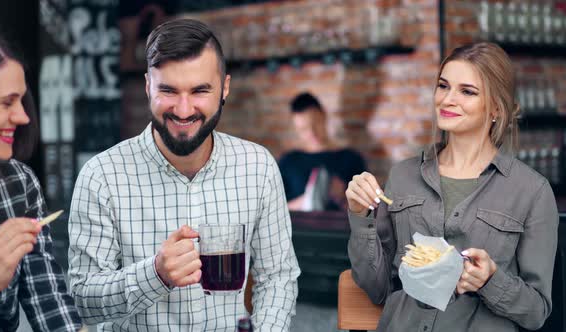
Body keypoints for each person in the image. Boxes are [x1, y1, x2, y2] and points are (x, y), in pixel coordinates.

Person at [68, 18, 300, 331]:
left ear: (225, 88)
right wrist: (155, 274)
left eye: (200, 90)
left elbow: (278, 278)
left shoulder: (258, 167)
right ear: (148, 85)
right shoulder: (102, 176)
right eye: (168, 90)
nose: (183, 109)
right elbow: (83, 299)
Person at [346, 42, 557, 331]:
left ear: (496, 107)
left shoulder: (532, 191)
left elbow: (537, 312)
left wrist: (490, 281)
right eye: (443, 86)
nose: (447, 99)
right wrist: (361, 217)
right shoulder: (402, 176)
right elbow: (377, 288)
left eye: (467, 91)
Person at [0, 24, 83, 331]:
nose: (23, 116)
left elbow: (50, 303)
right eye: (7, 102)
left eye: (22, 101)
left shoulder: (18, 184)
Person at [279, 92, 365, 211]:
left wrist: (342, 197)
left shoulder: (351, 159)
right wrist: (305, 201)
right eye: (303, 129)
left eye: (315, 124)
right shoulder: (288, 162)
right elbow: (272, 214)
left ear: (323, 115)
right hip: (299, 229)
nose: (312, 133)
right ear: (296, 129)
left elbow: (367, 212)